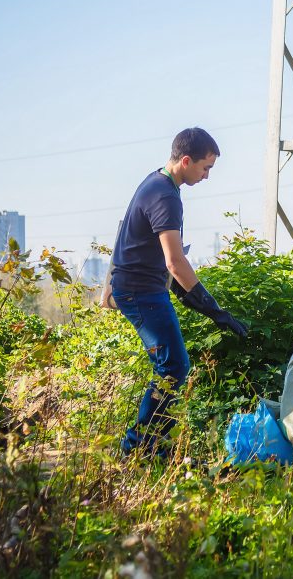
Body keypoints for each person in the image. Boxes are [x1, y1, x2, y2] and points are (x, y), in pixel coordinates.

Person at [110, 127, 248, 458]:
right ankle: (138, 449)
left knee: (173, 367)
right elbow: (175, 262)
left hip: (146, 287)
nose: (207, 176)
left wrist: (197, 302)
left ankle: (150, 445)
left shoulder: (159, 183)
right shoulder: (165, 196)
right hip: (139, 291)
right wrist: (215, 310)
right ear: (186, 161)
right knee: (172, 367)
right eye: (205, 168)